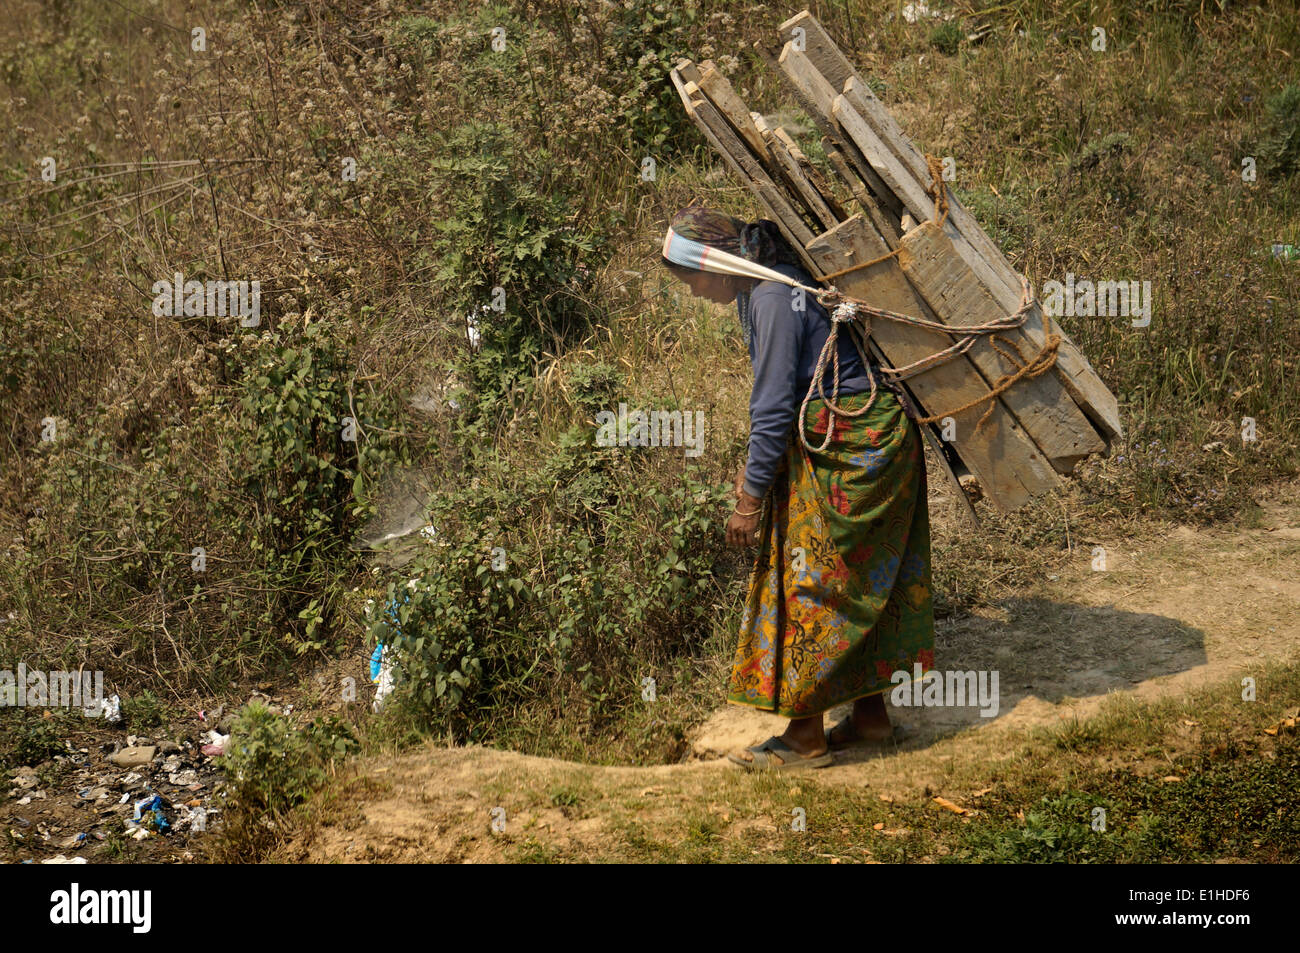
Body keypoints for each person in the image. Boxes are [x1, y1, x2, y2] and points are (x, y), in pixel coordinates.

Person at [661, 205, 935, 770]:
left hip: (849, 453)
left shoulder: (768, 299)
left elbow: (773, 408)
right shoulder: (781, 280)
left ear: (715, 265)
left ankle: (806, 738)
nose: (692, 292)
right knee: (860, 579)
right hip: (878, 441)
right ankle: (870, 719)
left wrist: (749, 501)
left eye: (690, 279)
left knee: (812, 585)